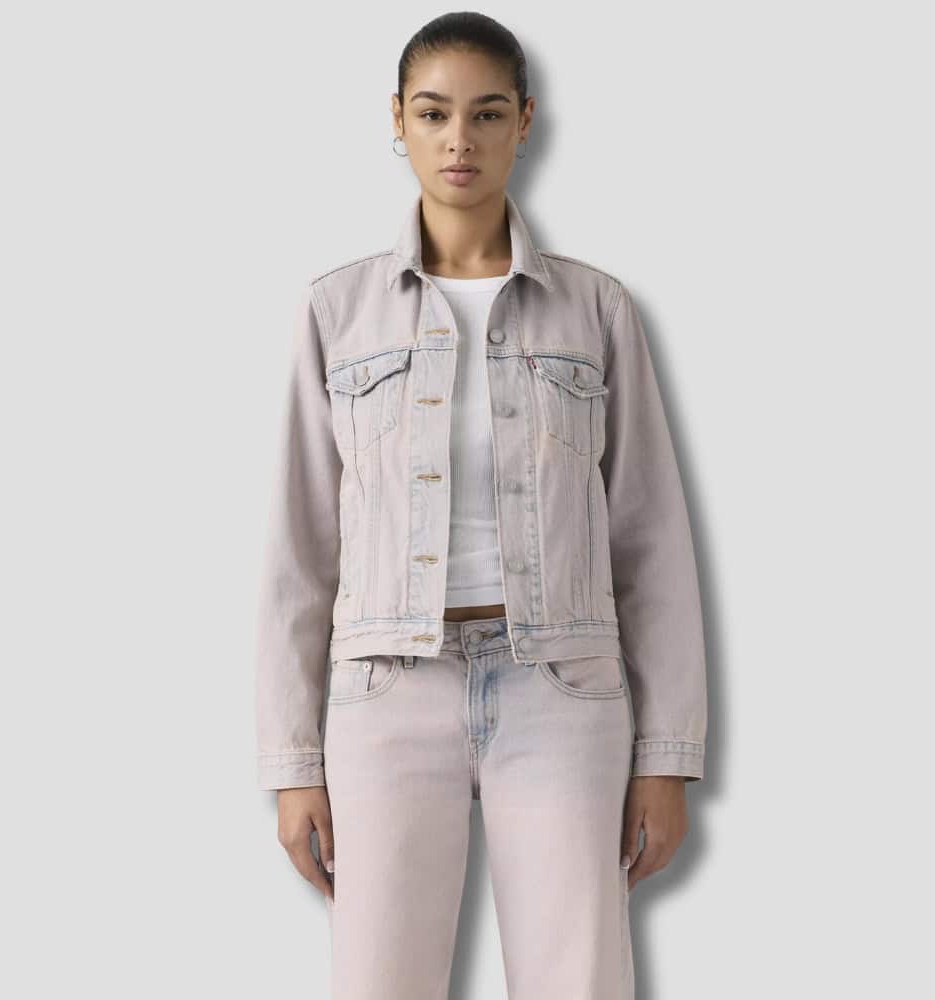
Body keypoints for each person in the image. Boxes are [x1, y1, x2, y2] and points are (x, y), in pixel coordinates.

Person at [254, 11, 707, 998]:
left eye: (487, 113)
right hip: (386, 692)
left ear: (524, 122)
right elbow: (300, 548)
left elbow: (650, 538)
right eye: (433, 113)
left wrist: (666, 758)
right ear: (398, 120)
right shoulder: (337, 310)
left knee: (577, 979)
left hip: (562, 689)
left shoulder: (595, 308)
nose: (459, 138)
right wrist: (292, 764)